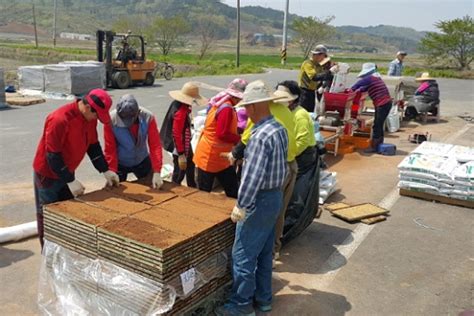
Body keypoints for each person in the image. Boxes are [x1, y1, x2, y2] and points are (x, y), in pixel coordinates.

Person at [215, 80, 288, 316]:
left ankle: (241, 306)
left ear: (255, 107)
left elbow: (252, 178)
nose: (245, 111)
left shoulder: (259, 137)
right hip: (274, 197)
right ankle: (263, 299)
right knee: (265, 252)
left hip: (259, 200)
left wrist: (241, 205)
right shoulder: (278, 129)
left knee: (243, 255)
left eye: (247, 107)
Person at [33, 89, 119, 248]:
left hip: (66, 170)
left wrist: (105, 170)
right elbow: (52, 155)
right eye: (96, 115)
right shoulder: (59, 119)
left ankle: (65, 248)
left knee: (68, 211)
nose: (96, 119)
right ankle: (48, 253)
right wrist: (70, 180)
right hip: (47, 175)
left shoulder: (90, 119)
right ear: (87, 107)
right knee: (48, 214)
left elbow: (93, 146)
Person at [193, 79, 248, 198]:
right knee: (203, 193)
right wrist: (239, 139)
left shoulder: (223, 104)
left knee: (232, 188)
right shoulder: (227, 108)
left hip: (220, 156)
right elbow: (222, 134)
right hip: (210, 155)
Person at [104, 94, 163, 189]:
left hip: (141, 160)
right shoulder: (111, 120)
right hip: (120, 163)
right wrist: (111, 170)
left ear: (137, 113)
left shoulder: (148, 117)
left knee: (154, 186)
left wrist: (157, 171)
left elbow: (155, 145)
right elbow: (110, 148)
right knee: (116, 191)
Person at [160, 82, 207, 187]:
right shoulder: (180, 111)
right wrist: (181, 154)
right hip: (178, 145)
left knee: (190, 164)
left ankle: (192, 186)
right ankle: (174, 188)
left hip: (182, 143)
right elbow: (176, 134)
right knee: (180, 169)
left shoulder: (178, 104)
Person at [351, 63, 392, 153]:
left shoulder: (369, 78)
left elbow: (357, 85)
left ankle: (374, 147)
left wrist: (351, 90)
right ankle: (379, 146)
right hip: (385, 104)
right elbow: (364, 88)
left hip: (383, 104)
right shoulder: (375, 79)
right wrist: (359, 90)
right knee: (379, 124)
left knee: (377, 125)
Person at [297, 44, 333, 112]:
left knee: (310, 112)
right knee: (303, 111)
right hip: (304, 92)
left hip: (312, 92)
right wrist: (329, 72)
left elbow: (323, 77)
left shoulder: (318, 65)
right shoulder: (308, 64)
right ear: (318, 55)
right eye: (324, 56)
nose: (324, 58)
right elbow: (314, 77)